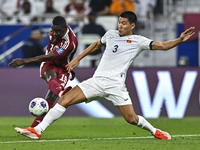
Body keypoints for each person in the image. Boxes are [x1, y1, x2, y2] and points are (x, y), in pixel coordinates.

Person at [13, 11, 195, 140]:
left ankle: (154, 131)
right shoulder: (110, 35)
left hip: (116, 85)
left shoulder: (139, 41)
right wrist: (78, 59)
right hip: (97, 81)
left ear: (132, 25)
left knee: (131, 119)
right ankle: (38, 130)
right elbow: (95, 45)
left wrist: (179, 40)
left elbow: (162, 46)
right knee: (64, 99)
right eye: (119, 22)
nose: (120, 26)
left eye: (124, 23)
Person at [9, 16, 78, 128]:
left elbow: (48, 56)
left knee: (50, 97)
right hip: (49, 63)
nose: (55, 33)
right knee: (50, 77)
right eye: (53, 30)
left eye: (58, 31)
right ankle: (61, 93)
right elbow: (49, 57)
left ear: (65, 28)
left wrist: (23, 61)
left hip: (63, 67)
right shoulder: (54, 31)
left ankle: (33, 128)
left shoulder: (69, 43)